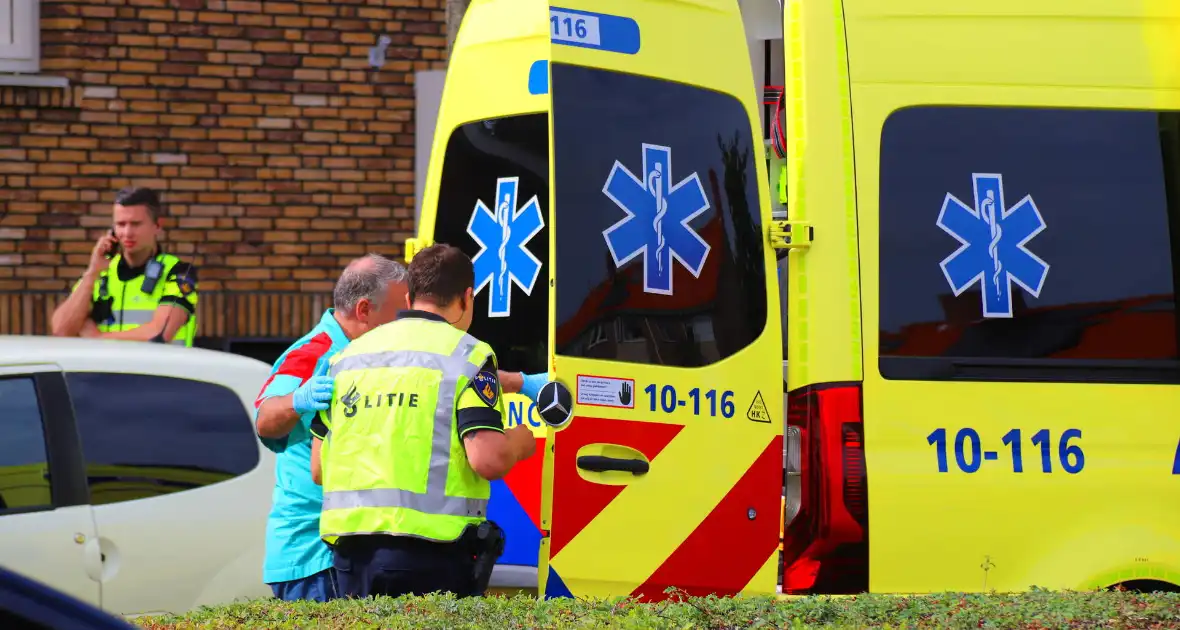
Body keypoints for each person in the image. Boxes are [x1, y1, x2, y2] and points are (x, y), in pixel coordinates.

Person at [255, 252, 546, 602]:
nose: (407, 324)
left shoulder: (350, 359)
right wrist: (297, 401)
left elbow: (438, 379)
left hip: (351, 548)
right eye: (398, 314)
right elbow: (265, 421)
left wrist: (518, 381)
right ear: (364, 310)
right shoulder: (319, 352)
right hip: (313, 555)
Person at [50, 186, 199, 346]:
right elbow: (61, 330)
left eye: (135, 224)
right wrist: (92, 273)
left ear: (157, 225)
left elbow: (160, 333)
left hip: (159, 370)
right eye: (121, 224)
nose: (127, 233)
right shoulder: (101, 273)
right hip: (106, 371)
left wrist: (98, 339)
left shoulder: (179, 272)